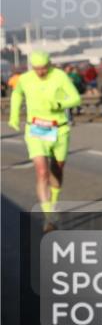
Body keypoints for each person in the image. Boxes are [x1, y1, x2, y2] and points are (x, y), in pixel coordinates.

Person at [7, 51, 82, 231]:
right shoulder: (25, 79)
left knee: (58, 169)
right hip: (36, 129)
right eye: (36, 69)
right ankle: (49, 216)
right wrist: (14, 116)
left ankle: (54, 202)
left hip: (59, 129)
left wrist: (58, 105)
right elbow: (17, 94)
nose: (40, 72)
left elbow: (75, 98)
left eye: (43, 68)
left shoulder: (59, 76)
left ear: (49, 65)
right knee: (42, 172)